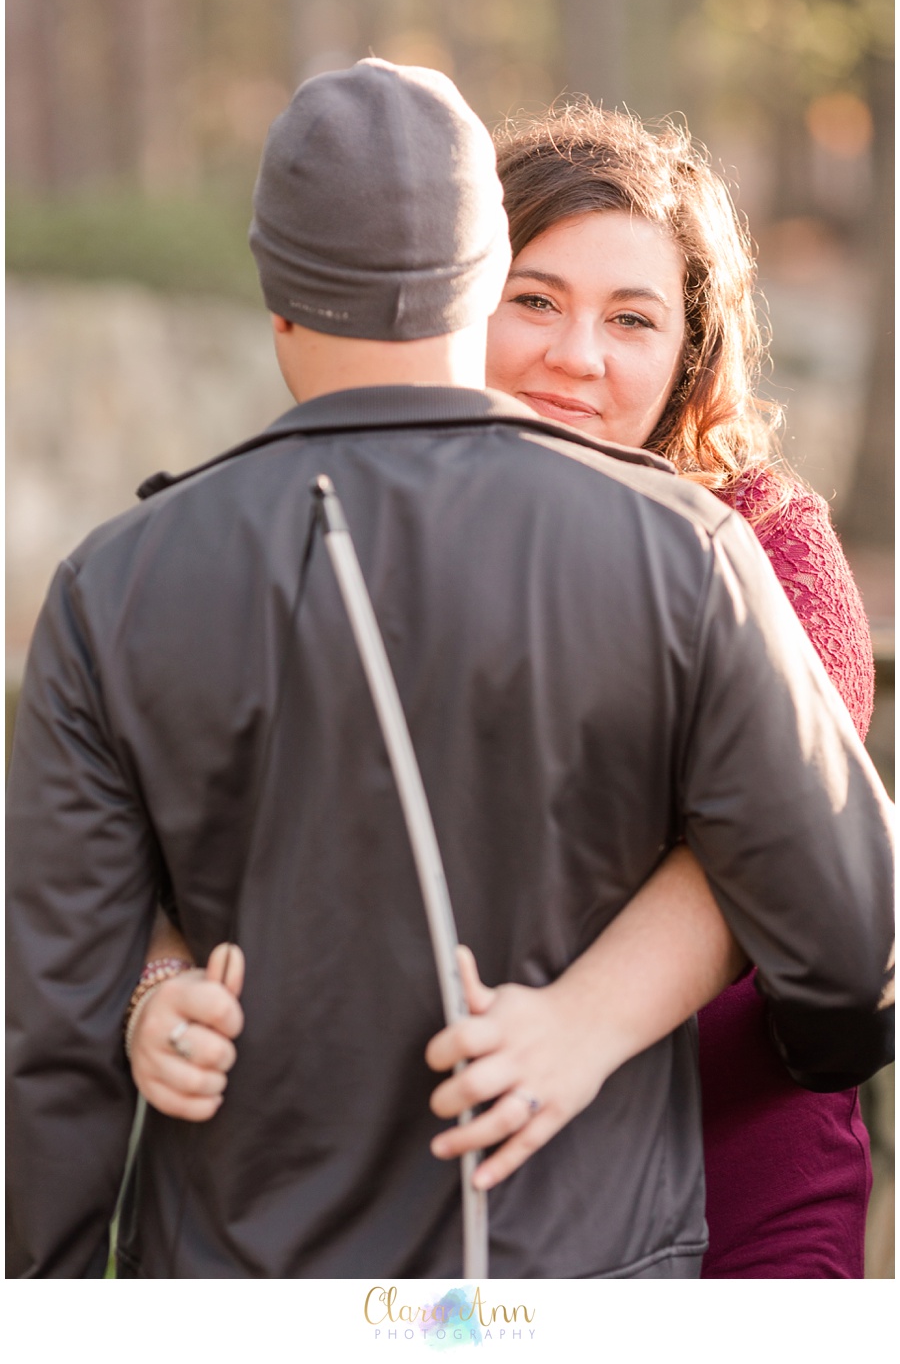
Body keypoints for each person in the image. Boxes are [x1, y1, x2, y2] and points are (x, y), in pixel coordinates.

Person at [7, 63, 893, 1280]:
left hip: (284, 1270)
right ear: (474, 287)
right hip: (594, 1270)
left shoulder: (116, 585)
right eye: (539, 299)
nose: (579, 355)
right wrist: (156, 983)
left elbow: (46, 1031)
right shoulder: (686, 559)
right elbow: (851, 956)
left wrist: (52, 1301)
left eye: (632, 317)